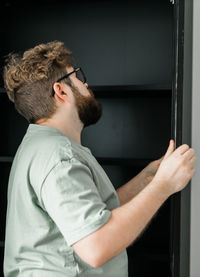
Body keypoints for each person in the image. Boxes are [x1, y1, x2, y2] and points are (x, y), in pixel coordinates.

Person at [3, 41, 196, 277]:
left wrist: (148, 178)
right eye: (77, 76)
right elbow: (96, 246)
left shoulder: (43, 146)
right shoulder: (59, 156)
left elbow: (96, 215)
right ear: (61, 91)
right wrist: (163, 186)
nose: (85, 84)